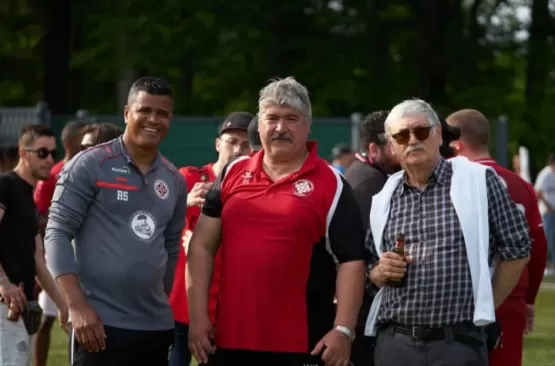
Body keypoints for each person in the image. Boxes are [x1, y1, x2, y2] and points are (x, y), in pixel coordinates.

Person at [187, 77, 367, 366]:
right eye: (271, 118)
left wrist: (343, 329)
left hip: (302, 343)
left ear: (307, 125)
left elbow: (351, 260)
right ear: (259, 126)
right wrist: (198, 319)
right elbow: (202, 246)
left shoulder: (332, 182)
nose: (280, 128)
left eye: (291, 119)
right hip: (230, 340)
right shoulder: (233, 171)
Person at [365, 99, 531, 366]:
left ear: (438, 134)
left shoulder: (478, 181)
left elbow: (518, 249)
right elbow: (369, 265)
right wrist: (378, 272)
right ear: (393, 146)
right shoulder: (384, 196)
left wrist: (485, 304)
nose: (412, 141)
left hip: (456, 342)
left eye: (421, 132)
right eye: (401, 136)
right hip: (395, 342)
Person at [44, 76, 187, 366]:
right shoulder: (90, 164)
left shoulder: (173, 179)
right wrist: (76, 305)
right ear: (126, 113)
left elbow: (171, 247)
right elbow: (57, 233)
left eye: (162, 113)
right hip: (98, 324)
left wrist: (155, 293)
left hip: (155, 327)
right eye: (144, 110)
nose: (153, 119)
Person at [445, 108, 547, 366]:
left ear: (456, 145)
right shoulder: (521, 185)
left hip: (460, 296)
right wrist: (529, 299)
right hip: (510, 293)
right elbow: (538, 246)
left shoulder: (450, 182)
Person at [169, 111, 252, 366]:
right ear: (218, 144)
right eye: (231, 142)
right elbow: (150, 220)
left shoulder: (253, 187)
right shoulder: (189, 178)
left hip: (224, 308)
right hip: (181, 302)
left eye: (245, 144)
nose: (238, 149)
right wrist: (184, 203)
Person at [0, 124, 68, 366]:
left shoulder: (29, 197)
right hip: (5, 304)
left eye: (53, 153)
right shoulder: (6, 185)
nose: (50, 159)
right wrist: (3, 282)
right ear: (23, 153)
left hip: (22, 308)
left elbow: (38, 261)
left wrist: (63, 305)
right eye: (42, 153)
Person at [344, 110, 400, 366]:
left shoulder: (363, 174)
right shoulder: (370, 184)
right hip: (365, 307)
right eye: (393, 143)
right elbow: (376, 249)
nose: (403, 147)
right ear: (374, 149)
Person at [33, 120, 86, 366]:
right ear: (69, 142)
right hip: (57, 253)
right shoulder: (53, 174)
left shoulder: (92, 169)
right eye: (82, 138)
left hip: (84, 253)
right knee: (48, 316)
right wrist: (44, 255)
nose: (87, 143)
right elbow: (39, 217)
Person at [535, 154, 555, 275]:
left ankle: (552, 264)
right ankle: (546, 265)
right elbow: (538, 191)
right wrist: (548, 206)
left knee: (553, 239)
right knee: (547, 238)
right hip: (547, 212)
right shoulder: (546, 174)